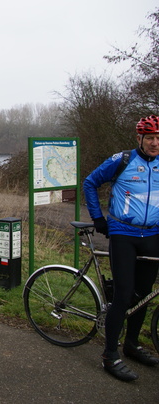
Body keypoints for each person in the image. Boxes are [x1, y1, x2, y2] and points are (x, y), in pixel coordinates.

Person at [83, 115, 159, 381]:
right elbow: (90, 183)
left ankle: (132, 344)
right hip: (123, 235)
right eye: (149, 137)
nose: (155, 142)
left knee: (144, 294)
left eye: (158, 138)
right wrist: (98, 218)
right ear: (139, 138)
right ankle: (109, 354)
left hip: (153, 236)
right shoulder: (123, 160)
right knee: (124, 295)